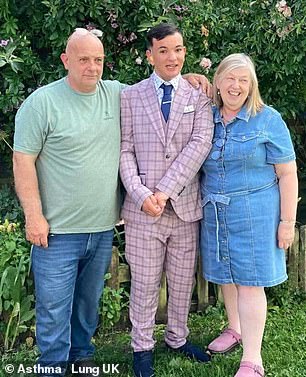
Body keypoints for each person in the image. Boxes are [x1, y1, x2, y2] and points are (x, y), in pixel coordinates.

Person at [13, 28, 210, 377]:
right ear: (65, 60)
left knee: (87, 304)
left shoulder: (115, 93)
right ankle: (53, 366)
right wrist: (33, 216)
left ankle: (83, 357)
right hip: (56, 229)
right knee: (54, 306)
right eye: (84, 59)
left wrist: (191, 76)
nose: (92, 67)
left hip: (102, 227)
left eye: (99, 60)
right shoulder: (41, 102)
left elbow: (163, 83)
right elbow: (23, 160)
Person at [119, 23, 214, 377]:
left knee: (181, 281)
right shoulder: (130, 96)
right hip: (144, 212)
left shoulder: (199, 97)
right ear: (150, 54)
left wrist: (164, 191)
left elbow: (200, 145)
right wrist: (143, 194)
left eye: (178, 50)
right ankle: (141, 349)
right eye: (163, 51)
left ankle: (177, 338)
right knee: (143, 284)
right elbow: (124, 150)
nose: (171, 57)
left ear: (185, 52)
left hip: (185, 208)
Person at [200, 53, 298, 377]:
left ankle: (252, 359)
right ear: (218, 81)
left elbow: (287, 173)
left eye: (244, 80)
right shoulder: (207, 117)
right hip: (215, 212)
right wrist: (189, 77)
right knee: (226, 275)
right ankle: (234, 328)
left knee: (250, 282)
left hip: (255, 214)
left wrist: (287, 223)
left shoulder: (268, 119)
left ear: (252, 85)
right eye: (230, 78)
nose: (236, 86)